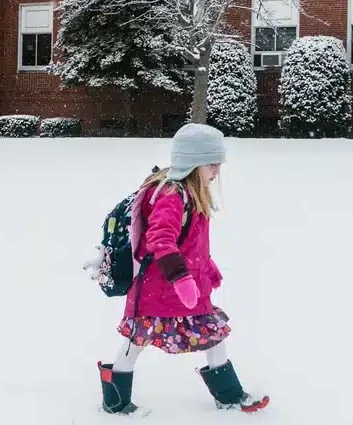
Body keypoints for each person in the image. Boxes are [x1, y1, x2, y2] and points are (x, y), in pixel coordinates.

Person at [96, 124, 268, 414]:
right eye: (211, 164)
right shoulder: (173, 196)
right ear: (193, 163)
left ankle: (229, 396)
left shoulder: (191, 193)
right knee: (134, 341)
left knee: (213, 334)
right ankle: (115, 401)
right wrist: (181, 278)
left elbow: (190, 244)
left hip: (186, 289)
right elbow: (161, 240)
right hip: (157, 289)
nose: (216, 171)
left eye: (218, 164)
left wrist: (206, 268)